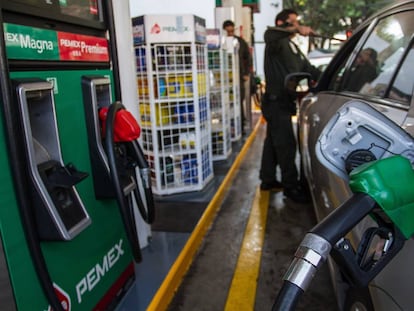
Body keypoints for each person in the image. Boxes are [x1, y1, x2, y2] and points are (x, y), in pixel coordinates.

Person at [259, 9, 321, 203]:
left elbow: (306, 68)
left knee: (273, 142)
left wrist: (324, 76)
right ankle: (290, 187)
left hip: (284, 101)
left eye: (297, 22)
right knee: (286, 144)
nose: (296, 26)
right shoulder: (275, 42)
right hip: (276, 101)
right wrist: (296, 28)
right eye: (291, 22)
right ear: (281, 24)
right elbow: (269, 33)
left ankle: (267, 179)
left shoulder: (292, 46)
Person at [222, 20, 252, 133]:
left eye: (231, 31)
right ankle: (228, 126)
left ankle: (240, 125)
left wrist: (246, 74)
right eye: (227, 31)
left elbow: (248, 58)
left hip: (239, 76)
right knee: (226, 101)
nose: (230, 33)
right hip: (224, 77)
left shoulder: (240, 42)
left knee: (239, 100)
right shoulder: (221, 42)